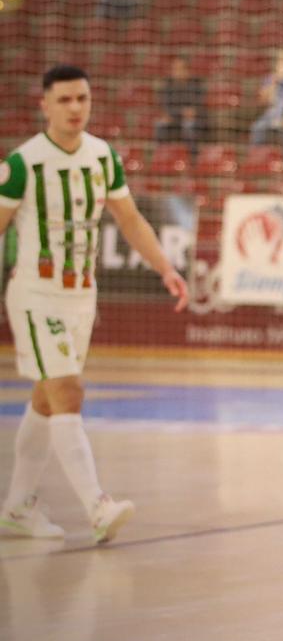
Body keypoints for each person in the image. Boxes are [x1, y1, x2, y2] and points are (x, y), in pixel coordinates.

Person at [0, 65, 189, 543]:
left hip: (81, 295)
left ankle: (17, 508)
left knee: (47, 399)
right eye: (64, 100)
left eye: (81, 98)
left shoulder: (102, 157)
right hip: (36, 293)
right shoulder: (23, 163)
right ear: (44, 105)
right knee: (69, 390)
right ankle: (97, 505)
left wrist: (166, 268)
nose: (75, 108)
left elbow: (130, 220)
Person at [154, 57, 208, 156]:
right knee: (160, 124)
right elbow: (166, 108)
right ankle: (161, 157)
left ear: (187, 70)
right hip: (174, 120)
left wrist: (186, 112)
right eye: (174, 69)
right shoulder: (168, 86)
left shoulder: (196, 85)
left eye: (180, 69)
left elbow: (196, 108)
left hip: (193, 121)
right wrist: (181, 112)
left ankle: (192, 158)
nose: (176, 72)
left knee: (189, 124)